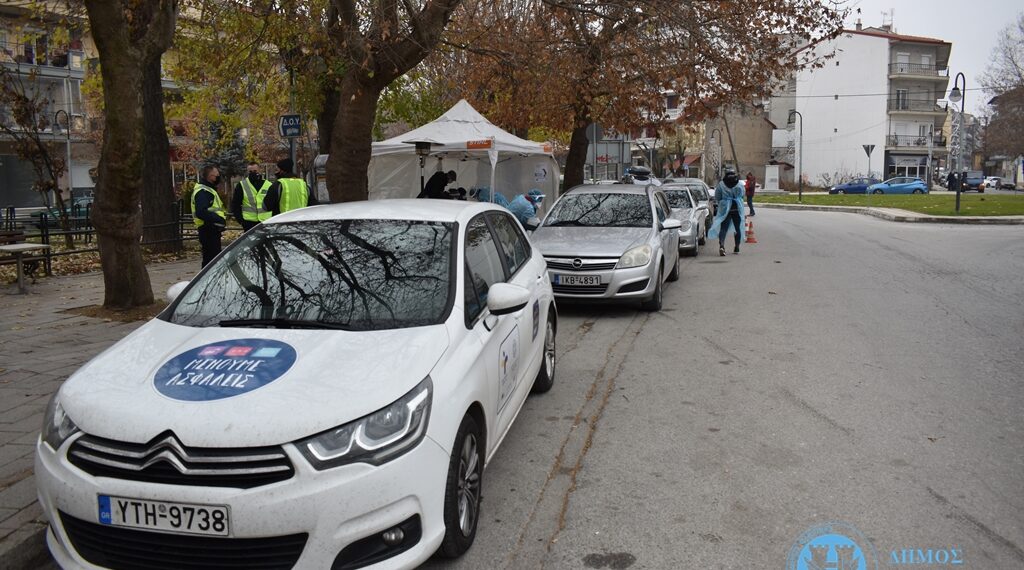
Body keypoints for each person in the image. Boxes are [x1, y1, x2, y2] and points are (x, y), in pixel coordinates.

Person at [192, 165, 227, 268]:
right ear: (211, 176)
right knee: (211, 261)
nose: (218, 177)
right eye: (217, 175)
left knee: (211, 260)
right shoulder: (204, 191)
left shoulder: (208, 190)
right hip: (208, 229)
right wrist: (218, 219)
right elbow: (201, 212)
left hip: (211, 228)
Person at [708, 170, 746, 256]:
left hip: (725, 209)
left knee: (724, 228)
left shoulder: (721, 184)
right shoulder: (739, 184)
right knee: (737, 228)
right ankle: (737, 247)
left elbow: (717, 197)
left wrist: (723, 201)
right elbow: (742, 194)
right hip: (737, 208)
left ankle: (722, 245)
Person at [230, 161, 272, 231]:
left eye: (255, 171)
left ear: (260, 170)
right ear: (247, 172)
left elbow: (274, 204)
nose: (253, 173)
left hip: (266, 221)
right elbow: (235, 205)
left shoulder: (269, 185)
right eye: (250, 172)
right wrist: (241, 221)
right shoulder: (241, 185)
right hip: (249, 223)